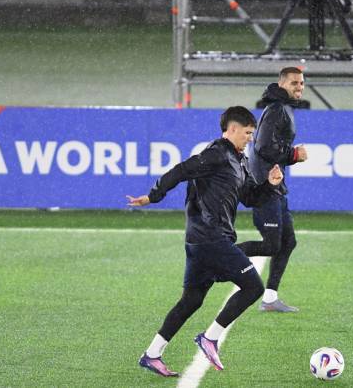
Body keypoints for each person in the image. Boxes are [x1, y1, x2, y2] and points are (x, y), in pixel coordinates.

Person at [126, 106, 283, 376]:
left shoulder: (239, 160)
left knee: (192, 301)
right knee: (253, 287)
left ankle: (152, 354)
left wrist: (270, 185)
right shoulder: (216, 153)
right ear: (232, 129)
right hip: (210, 237)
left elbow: (249, 198)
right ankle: (210, 338)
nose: (250, 138)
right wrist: (154, 196)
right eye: (247, 133)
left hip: (202, 241)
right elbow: (180, 170)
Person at [237, 67, 308, 313]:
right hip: (264, 187)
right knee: (271, 246)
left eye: (301, 83)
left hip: (276, 186)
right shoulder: (277, 109)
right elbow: (264, 146)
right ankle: (218, 255)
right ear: (282, 84)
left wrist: (289, 156)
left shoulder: (282, 106)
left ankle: (269, 298)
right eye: (294, 83)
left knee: (288, 242)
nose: (299, 87)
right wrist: (294, 155)